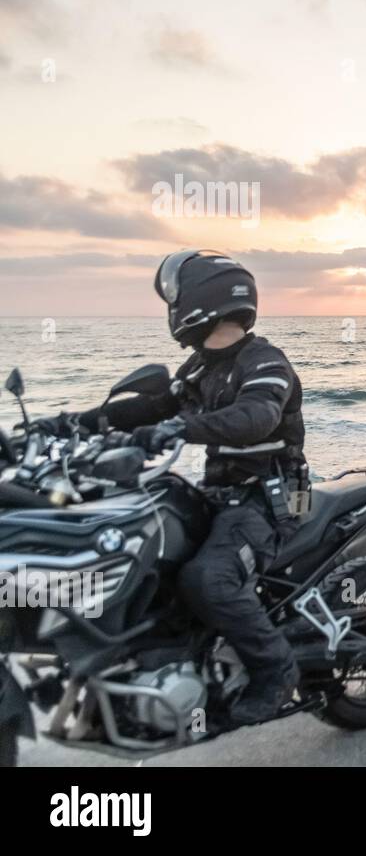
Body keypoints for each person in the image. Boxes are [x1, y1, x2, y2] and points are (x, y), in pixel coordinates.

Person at [70, 250, 308, 724]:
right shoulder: (199, 369)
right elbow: (149, 408)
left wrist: (182, 430)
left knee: (207, 579)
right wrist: (71, 423)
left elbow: (255, 416)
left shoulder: (265, 361)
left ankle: (278, 673)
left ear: (200, 301)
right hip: (221, 494)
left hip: (270, 500)